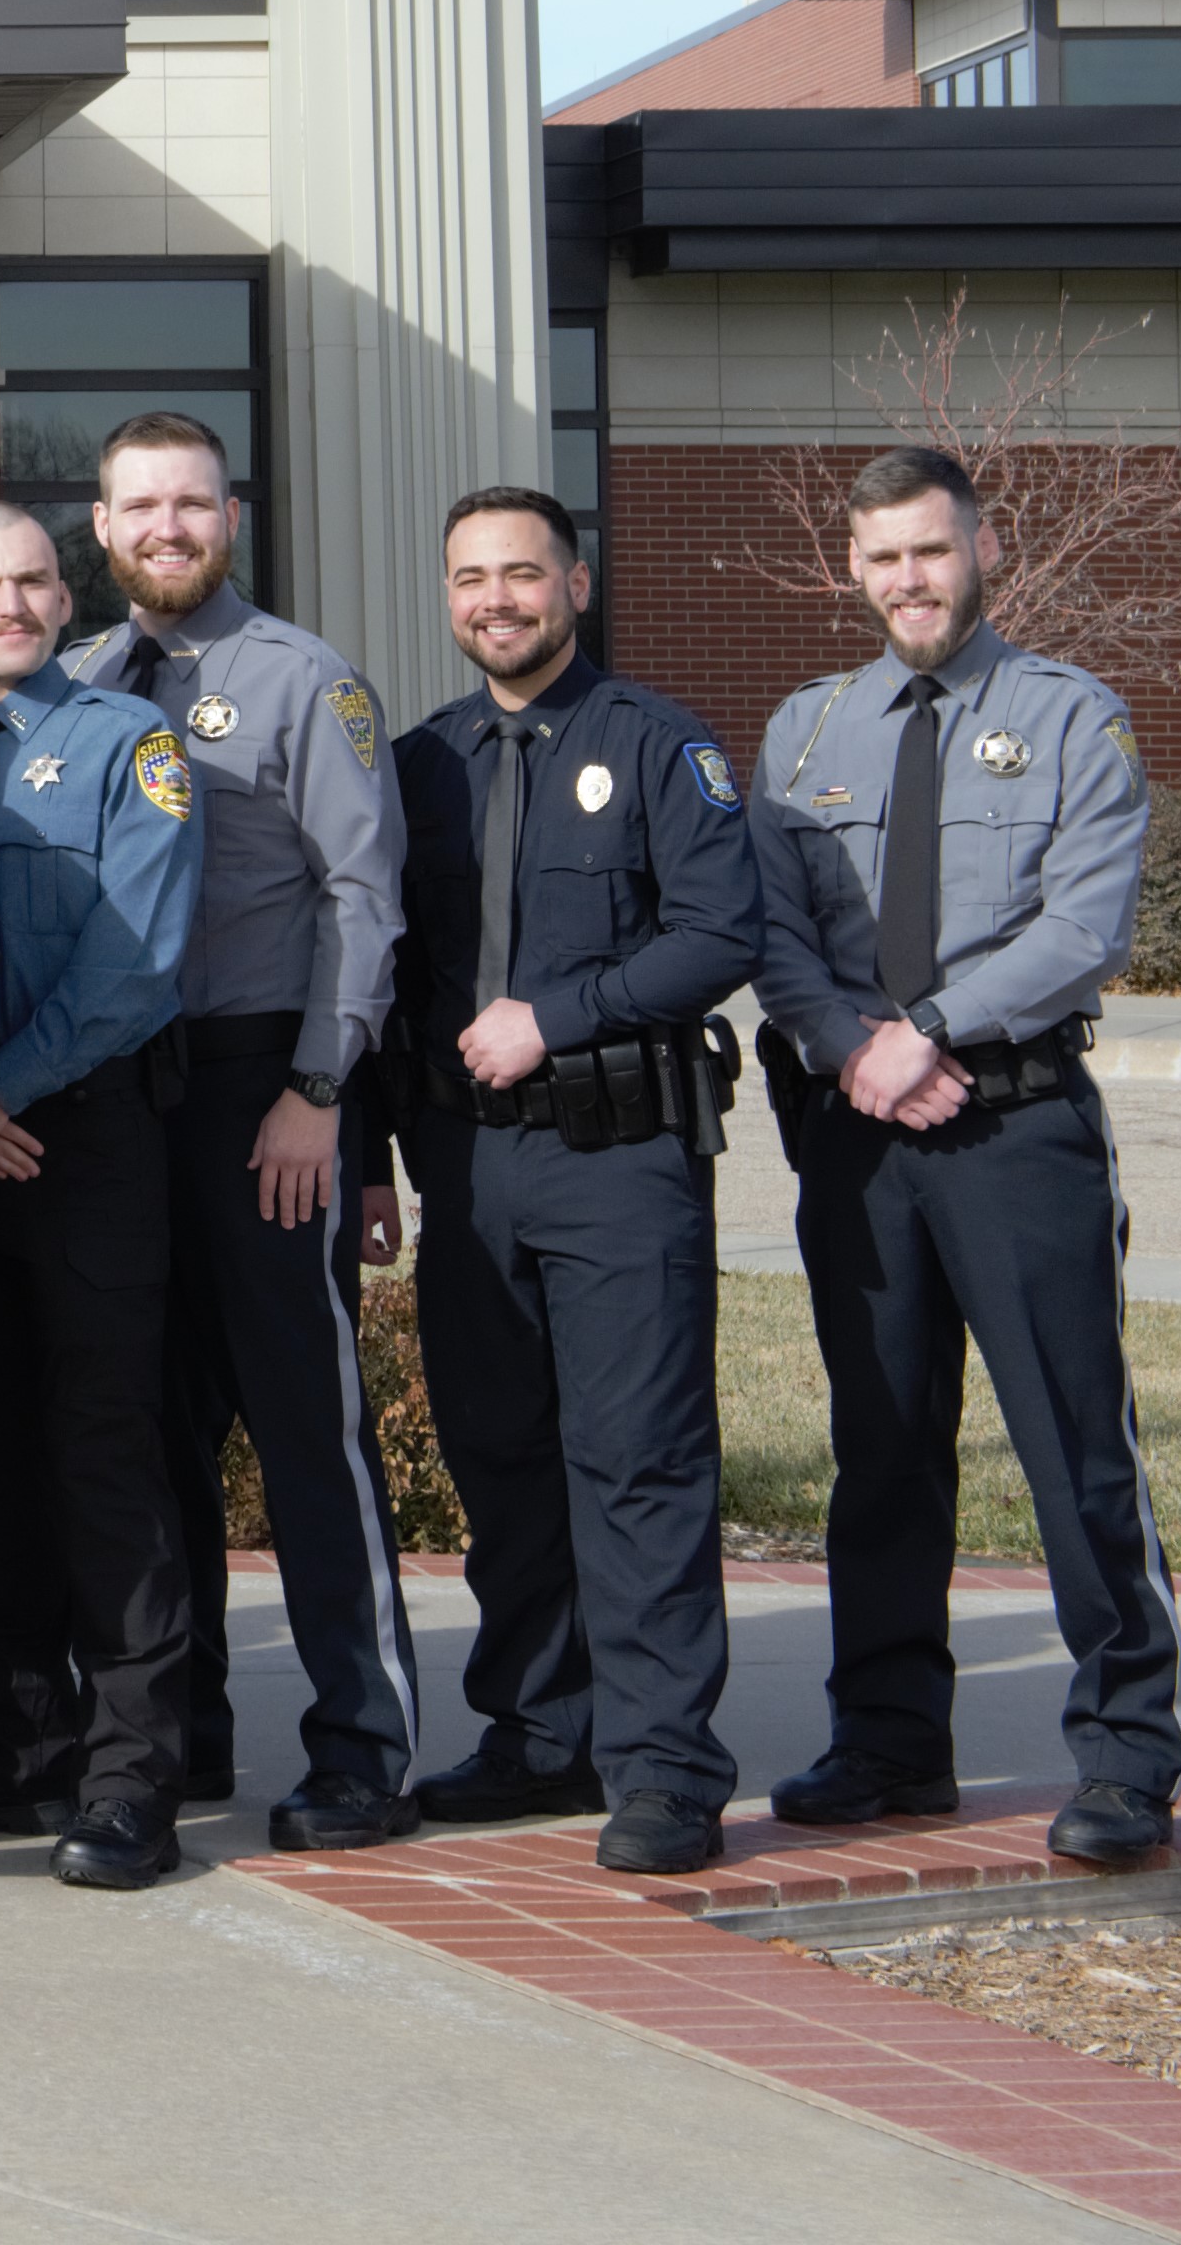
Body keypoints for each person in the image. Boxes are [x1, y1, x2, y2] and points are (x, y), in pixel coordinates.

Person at [749, 446, 1181, 1873]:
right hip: (859, 1139)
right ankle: (890, 1740)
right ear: (853, 569)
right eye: (881, 558)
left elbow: (1085, 928)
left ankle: (1128, 1749)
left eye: (929, 552)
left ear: (980, 548)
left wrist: (922, 1029)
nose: (907, 581)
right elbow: (773, 937)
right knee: (879, 1448)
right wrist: (848, 1048)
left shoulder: (1072, 718)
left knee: (1074, 1442)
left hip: (1016, 1126)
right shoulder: (806, 735)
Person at [66, 411, 423, 1848]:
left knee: (303, 1424)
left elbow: (364, 900)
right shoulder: (84, 680)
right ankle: (185, 1728)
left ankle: (360, 1744)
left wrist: (321, 1092)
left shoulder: (306, 682)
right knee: (150, 1426)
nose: (167, 527)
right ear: (102, 527)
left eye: (191, 504)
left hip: (262, 1089)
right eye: (140, 506)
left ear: (232, 516)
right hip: (126, 1102)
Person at [400, 487, 762, 1879]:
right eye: (472, 578)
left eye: (523, 574)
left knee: (640, 1462)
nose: (498, 598)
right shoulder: (429, 760)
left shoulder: (661, 746)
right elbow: (398, 975)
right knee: (501, 1456)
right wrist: (380, 1155)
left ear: (578, 584)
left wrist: (563, 1014)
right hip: (468, 1168)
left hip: (619, 1157)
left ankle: (666, 1768)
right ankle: (540, 1730)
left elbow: (721, 931)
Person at [0, 500, 201, 1888]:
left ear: (62, 597)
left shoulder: (127, 749)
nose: (10, 604)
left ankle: (137, 1762)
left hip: (80, 1144)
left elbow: (136, 966)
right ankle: (18, 1734)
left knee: (104, 1455)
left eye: (31, 580)